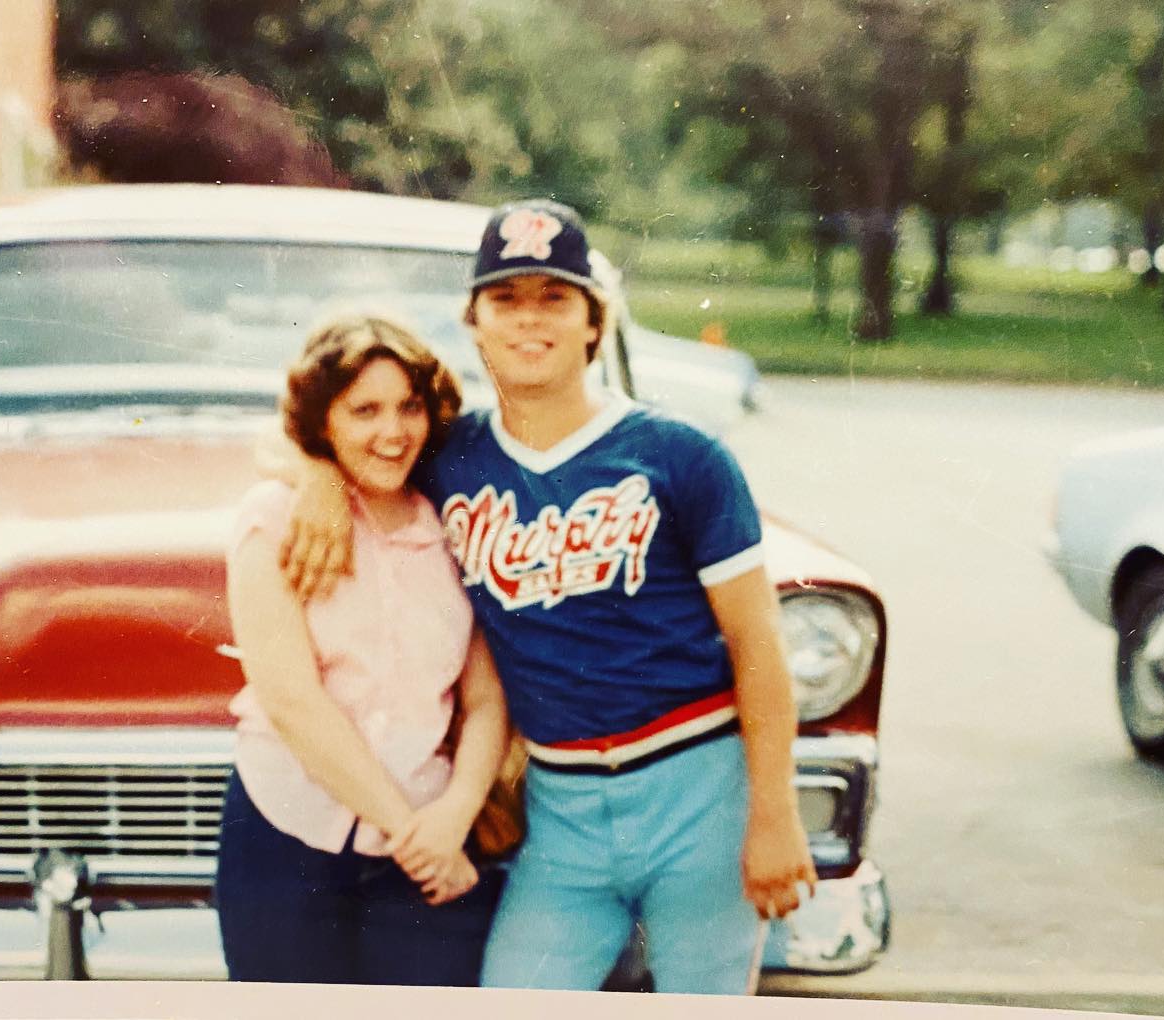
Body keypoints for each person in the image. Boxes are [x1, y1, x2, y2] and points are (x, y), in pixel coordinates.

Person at [275, 200, 816, 995]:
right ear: (474, 322)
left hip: (697, 787)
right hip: (561, 808)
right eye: (506, 299)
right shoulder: (450, 454)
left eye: (554, 298)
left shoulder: (682, 455)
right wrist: (319, 477)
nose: (530, 319)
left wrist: (774, 814)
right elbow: (328, 440)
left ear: (595, 321)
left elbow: (758, 643)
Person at [217, 314, 509, 986]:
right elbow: (292, 701)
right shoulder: (276, 516)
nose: (393, 431)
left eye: (410, 407)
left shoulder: (455, 523)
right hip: (286, 830)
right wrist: (411, 834)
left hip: (434, 837)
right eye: (365, 411)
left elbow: (486, 699)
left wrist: (453, 817)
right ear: (323, 421)